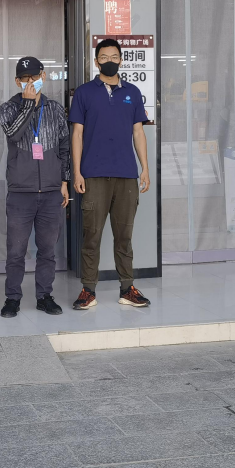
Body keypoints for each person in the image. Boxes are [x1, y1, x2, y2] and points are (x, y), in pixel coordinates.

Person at [69, 38, 152, 310]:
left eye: (114, 57)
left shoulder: (133, 92)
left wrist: (144, 168)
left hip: (126, 175)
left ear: (121, 60)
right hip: (93, 175)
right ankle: (88, 290)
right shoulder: (84, 93)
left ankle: (127, 288)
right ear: (96, 62)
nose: (110, 61)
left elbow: (138, 132)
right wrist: (77, 172)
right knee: (91, 236)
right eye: (104, 57)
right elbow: (77, 134)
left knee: (124, 236)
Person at [0, 56, 70, 318]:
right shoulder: (7, 109)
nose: (31, 82)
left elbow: (64, 147)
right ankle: (12, 298)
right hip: (20, 193)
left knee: (47, 251)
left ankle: (44, 296)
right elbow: (14, 134)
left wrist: (64, 182)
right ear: (17, 81)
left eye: (35, 77)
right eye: (25, 78)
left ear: (44, 76)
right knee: (16, 251)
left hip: (51, 192)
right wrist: (28, 104)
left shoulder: (56, 109)